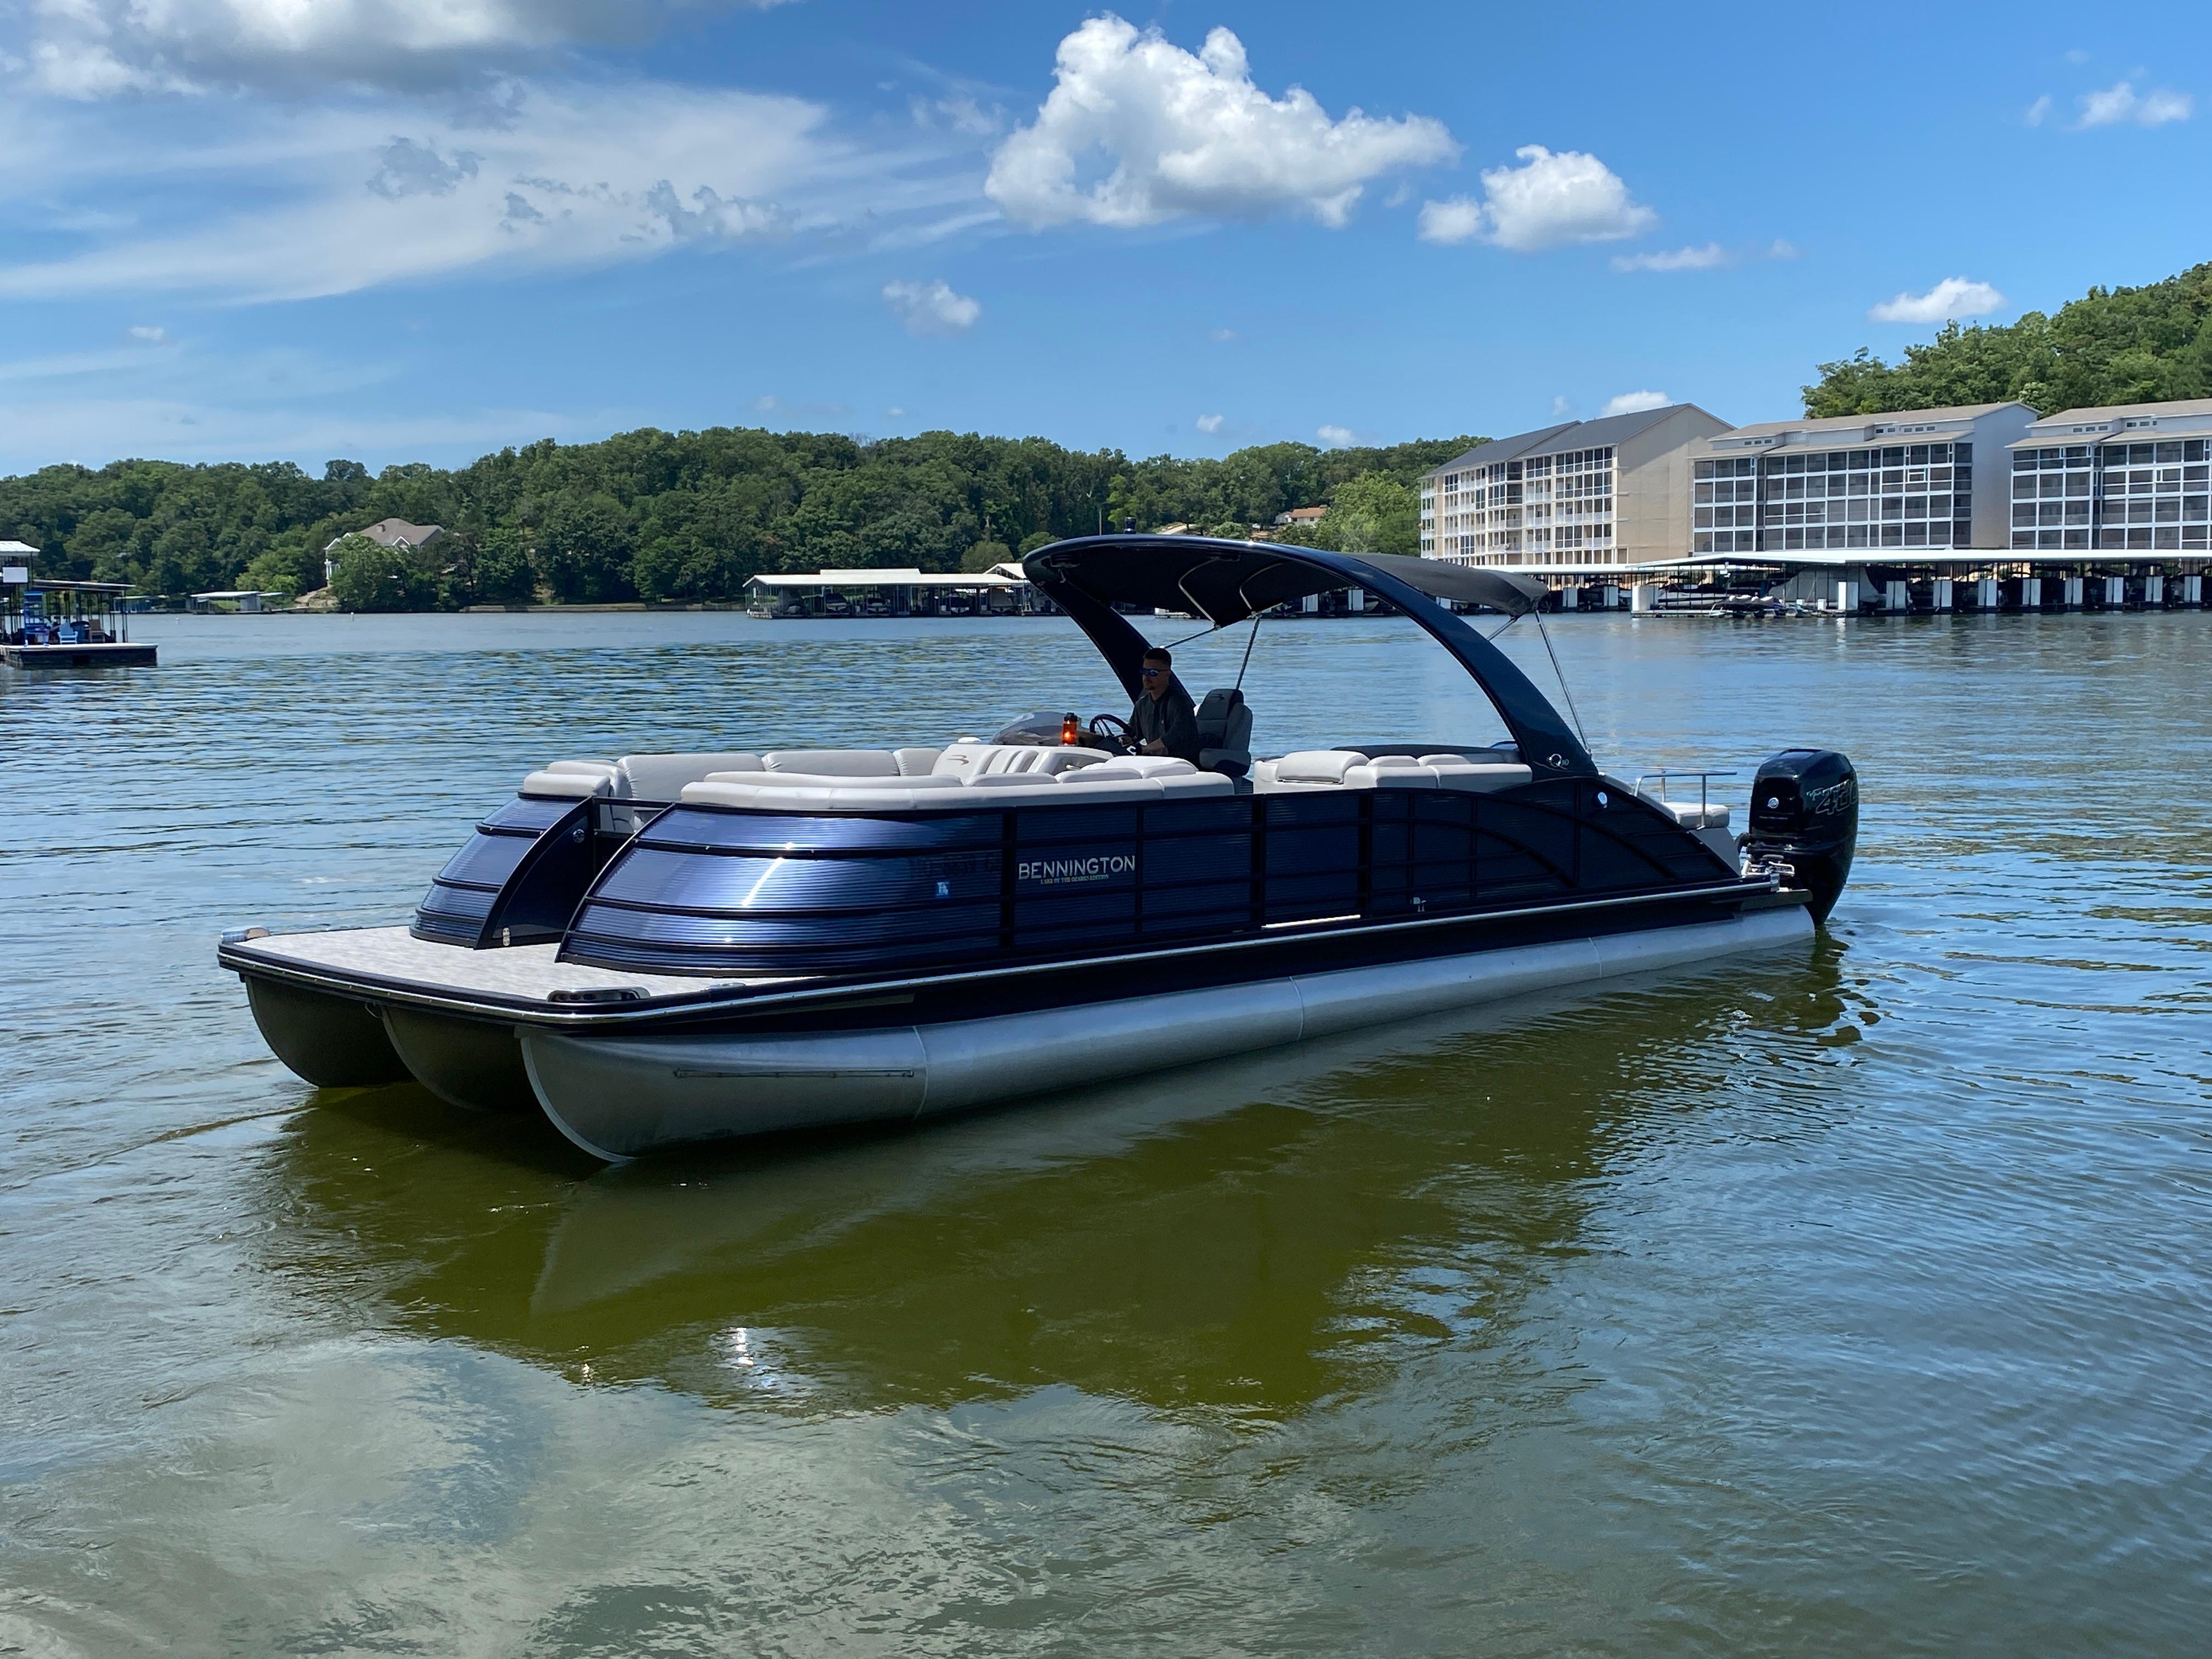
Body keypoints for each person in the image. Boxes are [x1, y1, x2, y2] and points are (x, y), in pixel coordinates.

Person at [1130, 646, 1200, 763]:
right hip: (1156, 763)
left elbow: (1176, 735)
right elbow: (1133, 734)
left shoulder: (1179, 702)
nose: (1147, 677)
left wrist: (1147, 749)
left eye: (1153, 673)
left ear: (1167, 674)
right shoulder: (1141, 704)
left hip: (1183, 765)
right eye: (1144, 672)